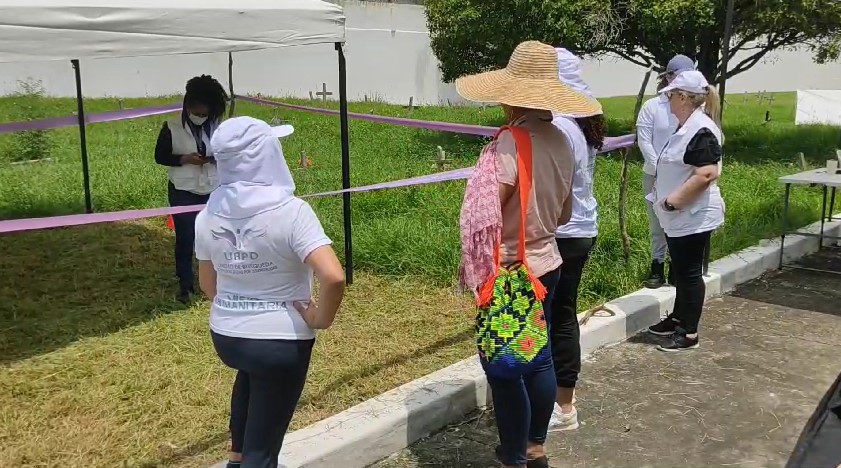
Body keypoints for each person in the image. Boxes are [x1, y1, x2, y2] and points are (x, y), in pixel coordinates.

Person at [456, 40, 602, 468]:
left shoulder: (508, 143)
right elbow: (566, 210)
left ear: (510, 95)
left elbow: (484, 216)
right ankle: (536, 445)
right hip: (548, 263)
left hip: (508, 270)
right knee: (538, 358)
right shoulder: (562, 139)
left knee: (502, 366)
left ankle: (515, 454)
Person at [194, 116, 346, 468]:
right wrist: (318, 319)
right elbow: (334, 277)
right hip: (280, 343)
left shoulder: (208, 214)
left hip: (228, 337)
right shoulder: (292, 212)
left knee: (249, 378)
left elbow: (208, 286)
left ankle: (235, 457)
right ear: (266, 156)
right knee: (263, 454)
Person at [547, 48, 606, 432]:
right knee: (560, 315)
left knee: (559, 318)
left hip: (564, 233)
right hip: (578, 230)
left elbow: (557, 193)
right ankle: (560, 398)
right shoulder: (578, 121)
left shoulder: (562, 128)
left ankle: (563, 406)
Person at [645, 70, 724, 352]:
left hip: (691, 215)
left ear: (682, 97)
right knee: (681, 269)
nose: (667, 101)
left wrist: (672, 201)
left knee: (688, 273)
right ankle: (679, 317)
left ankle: (689, 333)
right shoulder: (688, 125)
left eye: (670, 95)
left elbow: (706, 174)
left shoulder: (700, 128)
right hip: (680, 216)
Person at [155, 74, 228, 303]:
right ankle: (185, 284)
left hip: (212, 188)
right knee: (185, 237)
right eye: (197, 113)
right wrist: (185, 158)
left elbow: (228, 153)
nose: (201, 117)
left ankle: (217, 281)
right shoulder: (171, 125)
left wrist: (217, 158)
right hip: (183, 189)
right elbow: (160, 156)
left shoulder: (218, 125)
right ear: (187, 105)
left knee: (214, 236)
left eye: (205, 114)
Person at [636, 55, 695, 289]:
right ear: (668, 78)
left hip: (685, 176)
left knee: (681, 223)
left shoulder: (694, 107)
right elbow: (644, 141)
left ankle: (676, 267)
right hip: (654, 175)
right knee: (657, 224)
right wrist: (660, 169)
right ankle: (657, 266)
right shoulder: (652, 107)